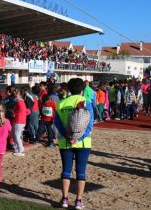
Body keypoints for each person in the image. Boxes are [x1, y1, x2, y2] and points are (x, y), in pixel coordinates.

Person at [54, 78, 94, 210]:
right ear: (82, 90)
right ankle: (78, 200)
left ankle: (64, 198)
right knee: (81, 172)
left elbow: (58, 124)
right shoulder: (86, 102)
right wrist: (80, 138)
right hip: (83, 143)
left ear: (69, 89)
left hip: (65, 141)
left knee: (66, 170)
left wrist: (68, 136)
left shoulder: (61, 103)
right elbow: (90, 124)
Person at [11, 87, 28, 156]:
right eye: (15, 92)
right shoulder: (20, 101)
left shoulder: (19, 101)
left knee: (17, 135)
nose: (15, 93)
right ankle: (17, 148)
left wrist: (15, 113)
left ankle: (21, 149)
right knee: (13, 134)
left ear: (20, 94)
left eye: (17, 92)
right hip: (19, 120)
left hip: (19, 120)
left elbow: (22, 110)